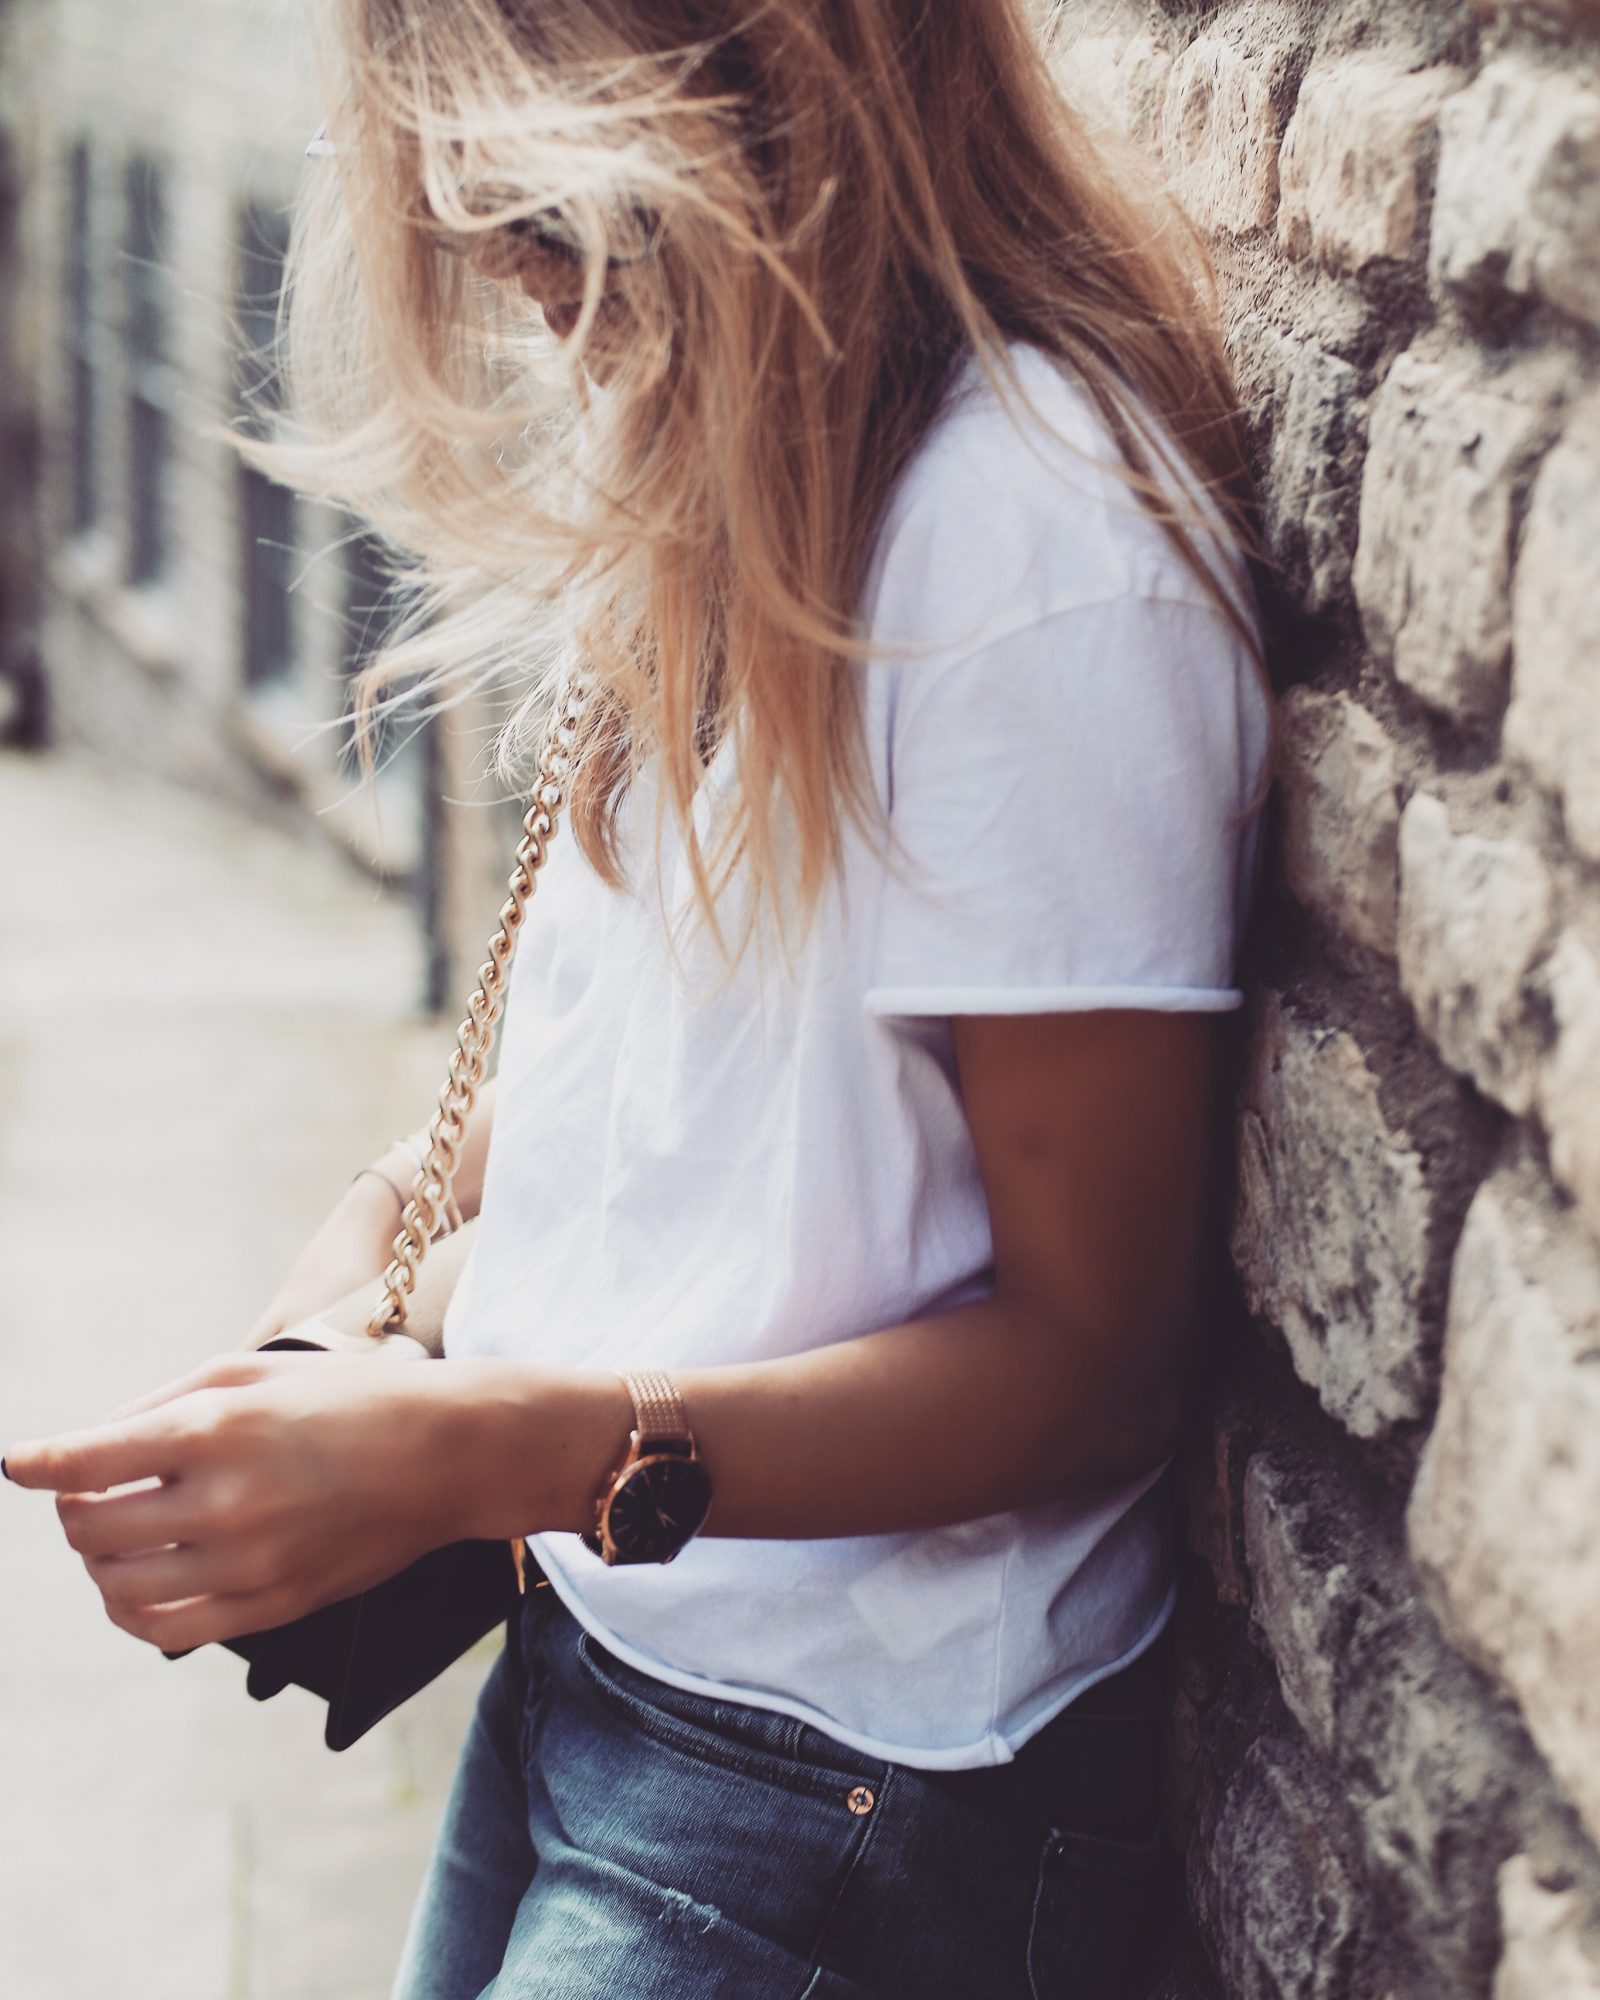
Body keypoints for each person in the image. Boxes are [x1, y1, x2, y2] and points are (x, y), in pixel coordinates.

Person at [3, 3, 1273, 1993]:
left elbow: (1095, 1357)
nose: (480, 242)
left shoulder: (1024, 545)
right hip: (596, 1657)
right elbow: (661, 1045)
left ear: (758, 87)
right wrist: (374, 1268)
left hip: (856, 1784)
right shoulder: (738, 430)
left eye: (536, 197)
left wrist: (484, 1450)